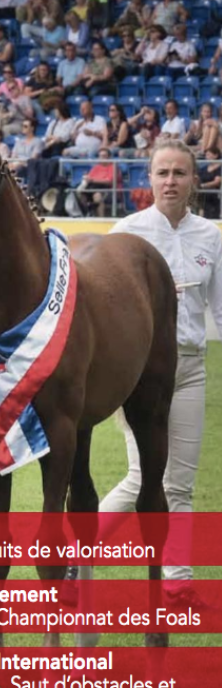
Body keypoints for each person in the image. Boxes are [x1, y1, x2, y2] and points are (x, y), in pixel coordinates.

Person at [99, 140, 222, 604]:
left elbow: (221, 308)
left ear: (195, 181)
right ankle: (73, 557)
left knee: (180, 483)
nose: (170, 181)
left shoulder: (210, 235)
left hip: (190, 368)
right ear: (148, 178)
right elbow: (103, 305)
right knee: (141, 477)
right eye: (162, 172)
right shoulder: (127, 232)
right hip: (141, 371)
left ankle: (178, 584)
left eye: (180, 173)